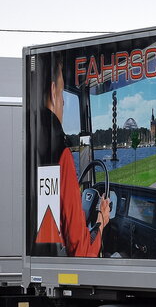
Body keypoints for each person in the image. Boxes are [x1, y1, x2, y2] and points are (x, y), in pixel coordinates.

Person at [34, 55, 110, 257]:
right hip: (51, 265)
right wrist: (101, 221)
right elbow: (82, 252)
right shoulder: (59, 150)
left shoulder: (27, 139)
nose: (63, 104)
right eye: (61, 94)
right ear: (53, 92)